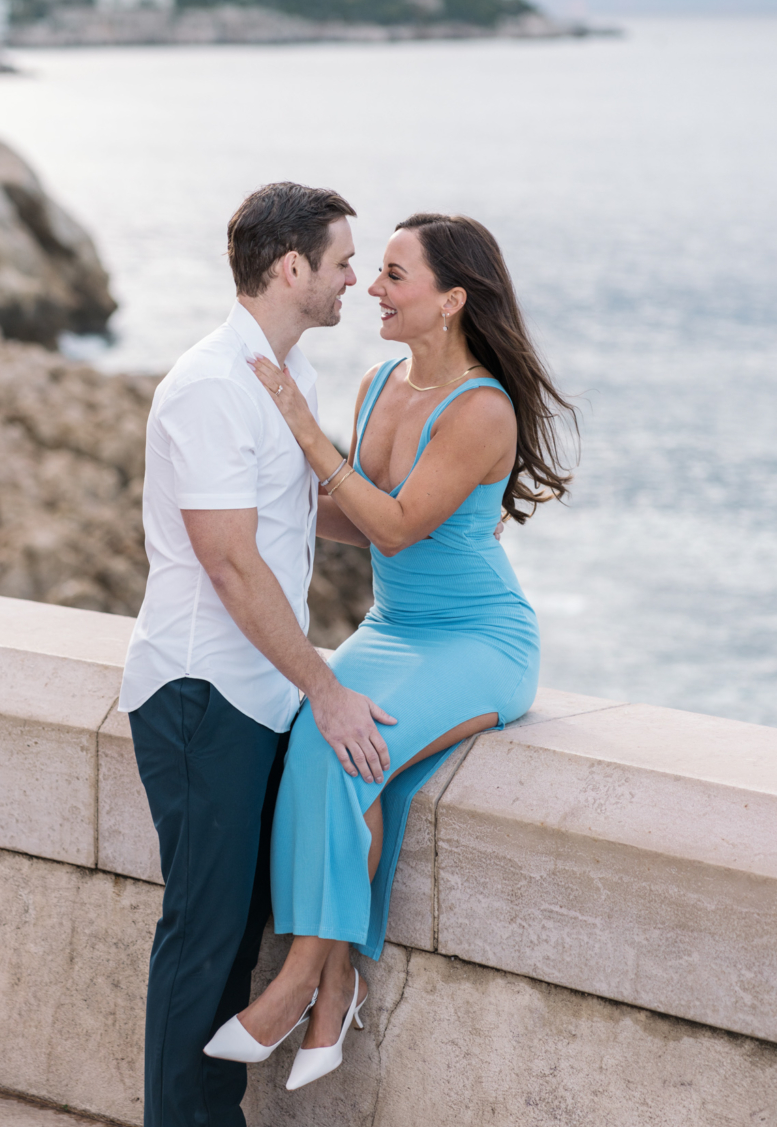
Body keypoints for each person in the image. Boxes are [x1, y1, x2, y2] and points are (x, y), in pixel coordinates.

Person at [205, 211, 575, 1091]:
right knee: (324, 740)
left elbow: (400, 529)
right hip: (390, 631)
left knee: (353, 749)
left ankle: (298, 979)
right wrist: (247, 511)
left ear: (450, 301)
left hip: (480, 640)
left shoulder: (482, 409)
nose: (372, 287)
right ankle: (333, 988)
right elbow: (344, 516)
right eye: (371, 271)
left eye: (394, 275)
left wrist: (303, 431)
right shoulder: (377, 384)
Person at [118, 182, 398, 1127]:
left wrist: (416, 525)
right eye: (342, 262)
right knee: (204, 937)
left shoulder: (288, 377)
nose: (354, 279)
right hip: (201, 696)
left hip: (253, 695)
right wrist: (325, 687)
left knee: (240, 930)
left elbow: (294, 513)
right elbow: (232, 564)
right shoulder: (209, 386)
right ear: (291, 269)